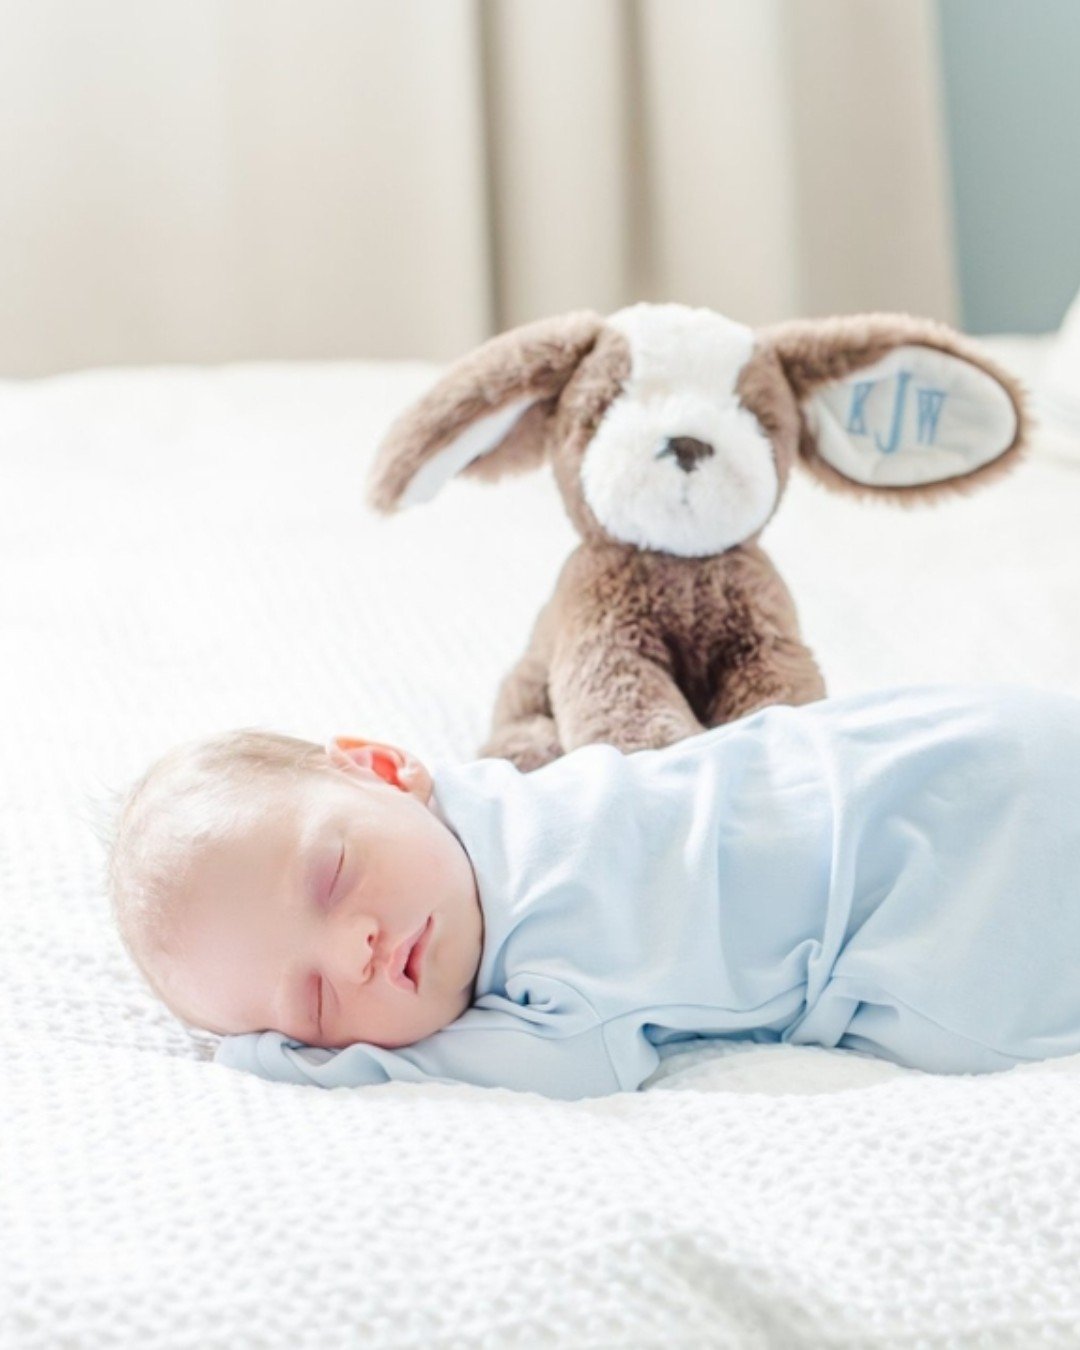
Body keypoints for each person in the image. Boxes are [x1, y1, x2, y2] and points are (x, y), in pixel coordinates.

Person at [106, 684, 1080, 1100]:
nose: (354, 948)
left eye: (331, 877)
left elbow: (578, 1067)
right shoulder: (482, 804)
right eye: (313, 1003)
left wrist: (272, 1058)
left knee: (975, 1010)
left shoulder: (549, 952)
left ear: (384, 767)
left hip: (923, 849)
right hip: (930, 759)